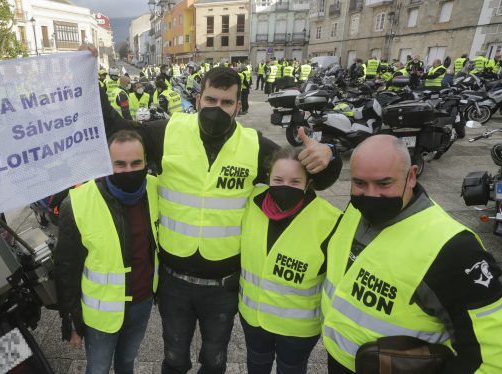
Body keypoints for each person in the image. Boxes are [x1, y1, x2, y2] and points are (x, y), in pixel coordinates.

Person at [92, 56, 342, 372]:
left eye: (226, 102)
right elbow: (117, 131)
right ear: (197, 100)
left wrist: (329, 154)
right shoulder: (168, 132)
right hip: (173, 281)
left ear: (238, 106)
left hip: (222, 286)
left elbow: (306, 179)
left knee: (214, 361)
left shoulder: (255, 146)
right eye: (210, 99)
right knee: (174, 359)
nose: (216, 108)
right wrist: (92, 81)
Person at [321, 135, 502, 373]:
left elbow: (492, 353)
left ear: (412, 175)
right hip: (339, 360)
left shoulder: (454, 249)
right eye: (360, 183)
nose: (371, 194)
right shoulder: (356, 211)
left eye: (384, 184)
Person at [54, 130, 159, 374]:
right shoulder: (78, 202)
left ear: (146, 163)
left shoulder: (155, 189)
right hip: (100, 314)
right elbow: (65, 268)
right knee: (98, 368)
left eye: (136, 163)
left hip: (142, 303)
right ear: (105, 164)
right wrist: (70, 319)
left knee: (127, 363)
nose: (128, 170)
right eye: (119, 164)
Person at [239, 146, 341, 374]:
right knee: (256, 365)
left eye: (295, 181)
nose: (285, 186)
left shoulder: (330, 219)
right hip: (253, 319)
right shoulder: (250, 203)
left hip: (297, 331)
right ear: (268, 179)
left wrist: (330, 151)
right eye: (278, 179)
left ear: (308, 183)